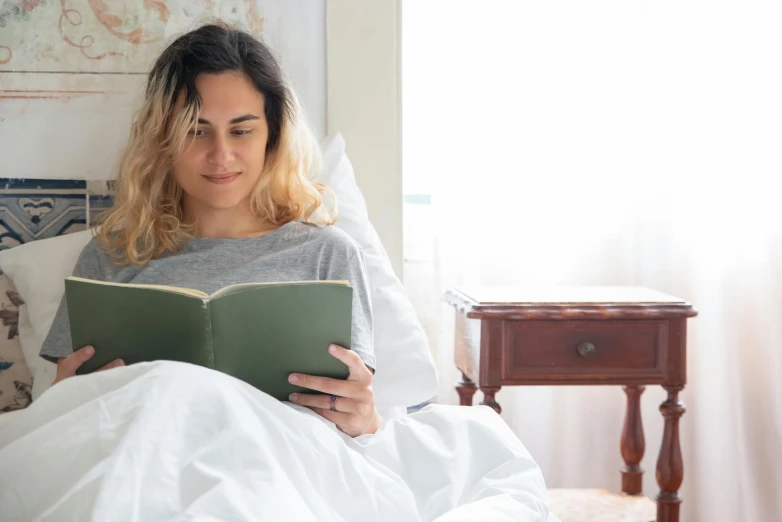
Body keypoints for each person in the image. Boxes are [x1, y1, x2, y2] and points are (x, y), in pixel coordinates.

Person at [39, 22, 382, 437]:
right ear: (162, 137)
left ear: (272, 136)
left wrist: (366, 420)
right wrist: (63, 403)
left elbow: (356, 422)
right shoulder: (111, 256)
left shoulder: (328, 255)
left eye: (241, 130)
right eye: (196, 131)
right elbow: (68, 417)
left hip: (283, 472)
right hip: (144, 467)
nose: (221, 155)